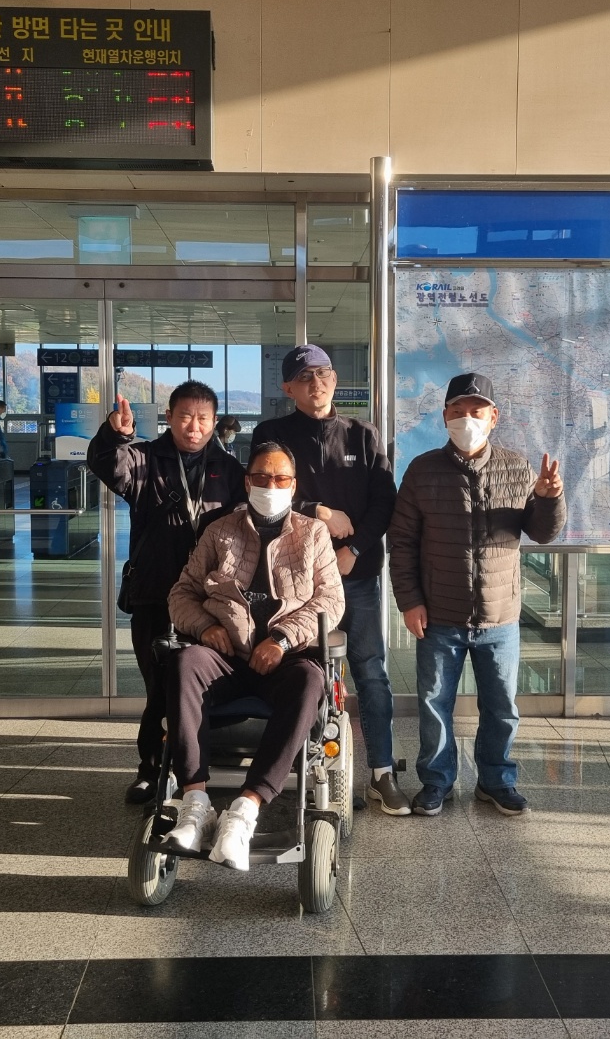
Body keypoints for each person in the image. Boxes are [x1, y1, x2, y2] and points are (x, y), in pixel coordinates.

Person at [387, 372, 565, 818]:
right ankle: (437, 781)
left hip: (500, 617)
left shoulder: (516, 467)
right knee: (434, 705)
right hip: (439, 615)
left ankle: (496, 781)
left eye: (476, 411)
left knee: (502, 707)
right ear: (444, 416)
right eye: (458, 411)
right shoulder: (423, 470)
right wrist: (409, 601)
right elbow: (402, 542)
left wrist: (548, 498)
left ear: (493, 417)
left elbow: (542, 532)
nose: (467, 419)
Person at [161, 441, 345, 870]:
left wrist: (282, 639)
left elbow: (331, 600)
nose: (270, 486)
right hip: (227, 655)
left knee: (310, 681)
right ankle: (195, 804)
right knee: (184, 663)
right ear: (247, 482)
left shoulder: (312, 534)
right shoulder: (219, 531)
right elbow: (181, 594)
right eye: (262, 477)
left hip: (286, 658)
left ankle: (245, 810)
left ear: (293, 486)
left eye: (281, 479)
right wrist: (205, 627)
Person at [251, 345, 405, 815]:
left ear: (334, 380)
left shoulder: (363, 434)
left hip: (356, 576)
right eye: (304, 377)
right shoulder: (272, 434)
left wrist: (353, 551)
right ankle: (303, 767)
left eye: (322, 374)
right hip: (295, 584)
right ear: (287, 388)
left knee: (370, 671)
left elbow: (384, 502)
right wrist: (318, 511)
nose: (315, 383)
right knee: (305, 672)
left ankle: (381, 772)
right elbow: (261, 490)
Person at [89, 382, 245, 805]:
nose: (194, 427)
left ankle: (196, 767)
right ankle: (150, 770)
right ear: (170, 418)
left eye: (203, 418)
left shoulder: (230, 470)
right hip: (155, 594)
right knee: (158, 687)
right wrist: (115, 435)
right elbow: (106, 464)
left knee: (192, 687)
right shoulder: (143, 459)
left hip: (208, 601)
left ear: (214, 422)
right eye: (185, 417)